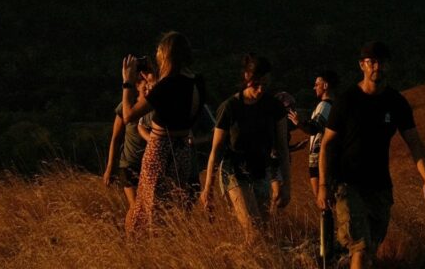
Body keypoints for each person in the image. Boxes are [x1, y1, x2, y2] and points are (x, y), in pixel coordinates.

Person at [318, 42, 425, 269]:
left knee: (369, 250)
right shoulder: (347, 100)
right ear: (362, 65)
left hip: (380, 186)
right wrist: (324, 185)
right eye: (371, 62)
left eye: (381, 62)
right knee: (361, 248)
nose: (376, 67)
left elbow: (414, 143)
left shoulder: (396, 102)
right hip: (348, 183)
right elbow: (327, 144)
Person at [121, 31, 208, 235]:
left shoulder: (166, 85)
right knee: (174, 204)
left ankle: (144, 249)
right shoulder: (198, 82)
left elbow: (129, 116)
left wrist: (127, 82)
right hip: (182, 151)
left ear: (166, 55)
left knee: (149, 205)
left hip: (159, 149)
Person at [200, 54, 291, 240]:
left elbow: (282, 147)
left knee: (264, 234)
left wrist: (286, 185)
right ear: (246, 79)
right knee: (254, 232)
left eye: (264, 85)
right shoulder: (230, 107)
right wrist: (208, 187)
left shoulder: (274, 107)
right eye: (256, 84)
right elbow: (216, 149)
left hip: (260, 170)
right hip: (234, 171)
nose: (260, 89)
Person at [102, 56, 156, 208]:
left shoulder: (154, 105)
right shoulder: (126, 106)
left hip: (149, 163)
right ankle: (131, 232)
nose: (147, 90)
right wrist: (110, 168)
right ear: (137, 85)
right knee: (135, 206)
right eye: (144, 87)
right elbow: (116, 138)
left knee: (149, 206)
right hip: (129, 163)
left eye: (149, 87)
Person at [288, 69, 339, 201]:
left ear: (326, 86)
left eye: (317, 84)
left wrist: (299, 123)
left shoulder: (324, 106)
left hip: (319, 161)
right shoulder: (335, 106)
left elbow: (313, 128)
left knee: (323, 202)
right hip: (328, 159)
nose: (314, 87)